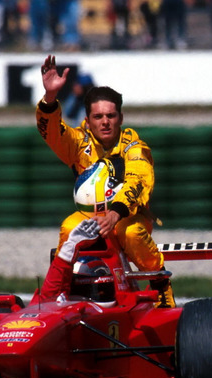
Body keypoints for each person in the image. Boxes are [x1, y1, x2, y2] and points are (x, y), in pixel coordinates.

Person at [36, 55, 174, 308]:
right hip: (88, 216)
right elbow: (52, 133)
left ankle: (160, 286)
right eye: (98, 117)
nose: (105, 122)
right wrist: (50, 99)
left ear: (120, 118)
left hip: (128, 216)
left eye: (110, 116)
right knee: (69, 228)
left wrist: (115, 214)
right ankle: (61, 291)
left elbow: (138, 181)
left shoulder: (134, 147)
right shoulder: (78, 143)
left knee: (129, 233)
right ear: (88, 120)